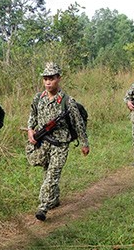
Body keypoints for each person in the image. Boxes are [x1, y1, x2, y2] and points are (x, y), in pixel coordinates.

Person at [27, 62, 89, 222]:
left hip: (61, 144)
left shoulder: (67, 101)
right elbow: (32, 116)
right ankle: (53, 199)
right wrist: (30, 130)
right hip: (44, 142)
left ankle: (43, 207)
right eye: (45, 78)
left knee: (53, 174)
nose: (48, 82)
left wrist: (84, 143)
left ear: (58, 78)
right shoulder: (38, 98)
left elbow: (78, 123)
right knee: (47, 171)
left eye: (51, 78)